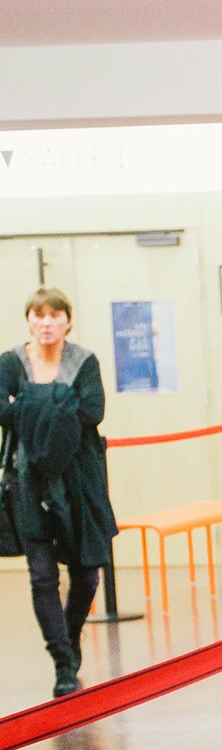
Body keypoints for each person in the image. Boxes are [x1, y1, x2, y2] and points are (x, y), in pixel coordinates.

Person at [1, 289, 117, 697]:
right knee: (41, 576)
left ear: (68, 321)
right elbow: (1, 409)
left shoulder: (84, 361)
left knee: (87, 575)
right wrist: (59, 401)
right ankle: (63, 662)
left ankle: (70, 636)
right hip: (26, 481)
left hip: (79, 481)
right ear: (29, 320)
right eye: (39, 315)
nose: (46, 323)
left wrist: (28, 402)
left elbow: (92, 410)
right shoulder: (10, 362)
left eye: (55, 316)